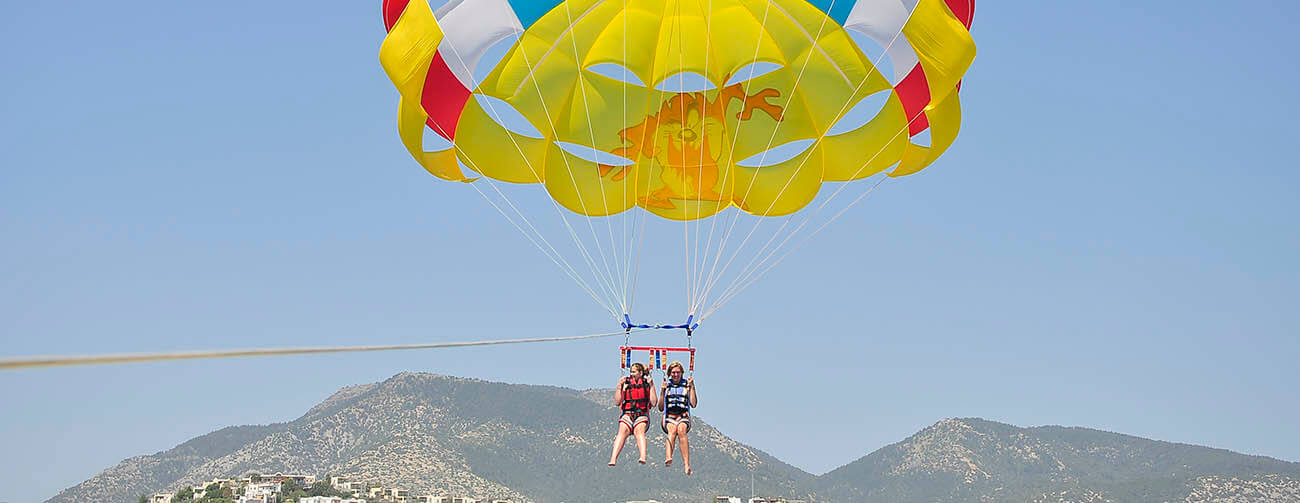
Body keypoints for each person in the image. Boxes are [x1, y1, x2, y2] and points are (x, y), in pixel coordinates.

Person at [608, 362, 657, 466]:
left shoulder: (647, 384)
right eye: (631, 372)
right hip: (627, 414)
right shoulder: (626, 383)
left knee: (639, 431)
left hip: (641, 415)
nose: (631, 374)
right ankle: (613, 458)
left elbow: (653, 402)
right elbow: (617, 402)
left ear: (640, 373)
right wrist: (619, 387)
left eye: (634, 372)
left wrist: (652, 386)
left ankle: (643, 456)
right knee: (622, 432)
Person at [659, 361, 698, 475]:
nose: (675, 375)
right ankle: (668, 456)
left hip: (683, 416)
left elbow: (693, 404)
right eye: (673, 373)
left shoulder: (687, 385)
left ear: (682, 373)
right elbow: (661, 407)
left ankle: (686, 464)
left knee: (681, 431)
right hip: (669, 417)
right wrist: (662, 391)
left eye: (678, 372)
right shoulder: (666, 386)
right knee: (672, 430)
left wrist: (692, 387)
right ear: (670, 373)